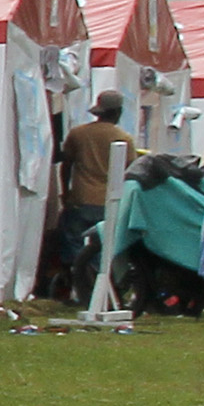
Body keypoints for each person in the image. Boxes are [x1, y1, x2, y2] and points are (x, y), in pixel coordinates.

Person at [53, 91, 134, 299]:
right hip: (108, 203)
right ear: (118, 112)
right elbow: (130, 171)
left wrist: (66, 192)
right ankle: (100, 289)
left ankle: (75, 285)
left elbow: (66, 165)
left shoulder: (78, 134)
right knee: (102, 248)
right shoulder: (123, 138)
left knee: (73, 243)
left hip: (80, 199)